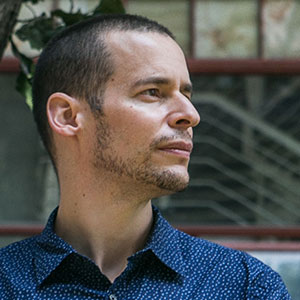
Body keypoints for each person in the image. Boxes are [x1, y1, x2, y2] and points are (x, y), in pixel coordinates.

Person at [0, 14, 291, 299]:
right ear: (69, 116)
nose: (191, 115)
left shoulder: (244, 286)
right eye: (153, 92)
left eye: (186, 95)